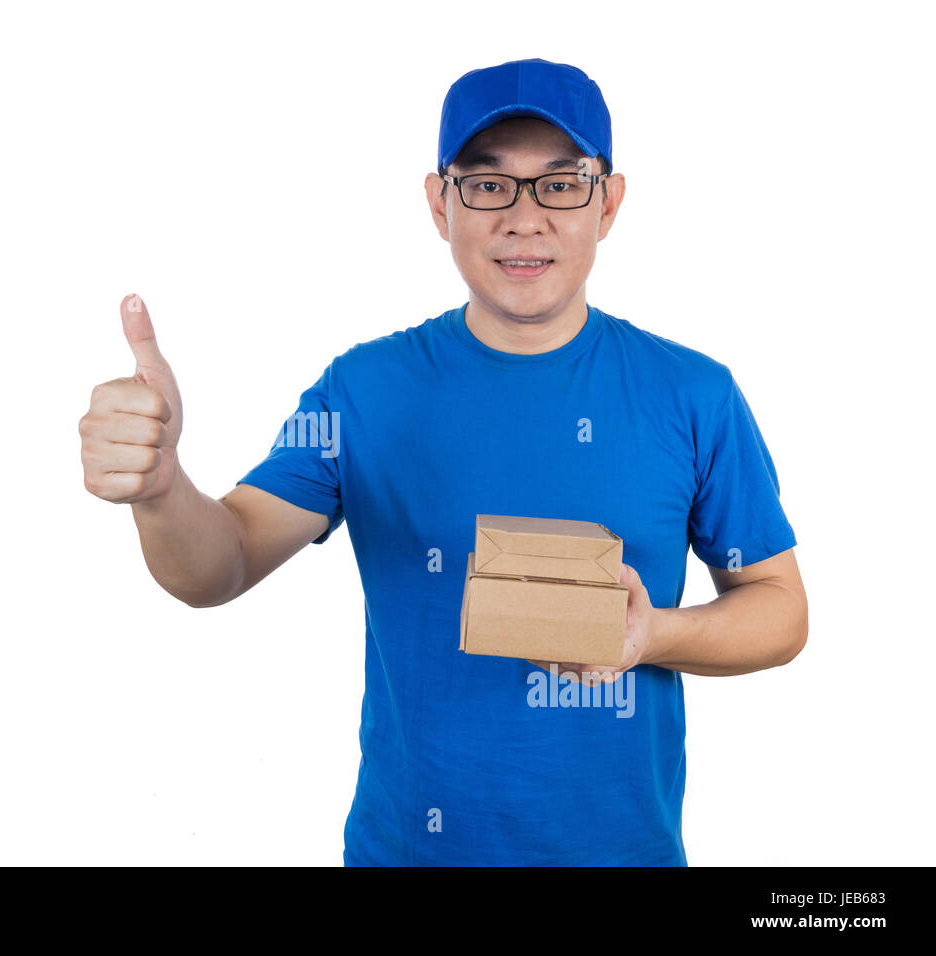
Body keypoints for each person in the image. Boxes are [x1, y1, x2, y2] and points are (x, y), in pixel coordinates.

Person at [79, 58, 808, 866]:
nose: (525, 219)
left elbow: (780, 609)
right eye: (488, 185)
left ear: (609, 203)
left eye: (561, 184)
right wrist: (161, 489)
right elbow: (221, 563)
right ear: (439, 204)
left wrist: (651, 635)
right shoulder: (363, 391)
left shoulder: (693, 394)